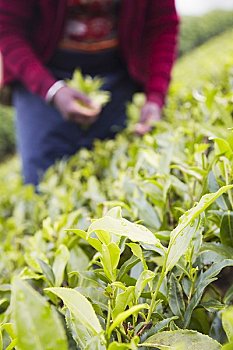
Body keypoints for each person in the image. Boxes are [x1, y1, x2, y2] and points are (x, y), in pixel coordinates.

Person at [0, 0, 179, 185]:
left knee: (117, 171)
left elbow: (162, 24)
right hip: (41, 74)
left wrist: (155, 98)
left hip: (114, 72)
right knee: (43, 179)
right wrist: (52, 90)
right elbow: (6, 28)